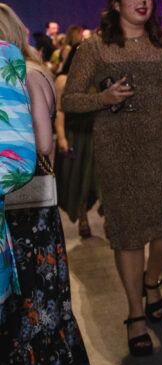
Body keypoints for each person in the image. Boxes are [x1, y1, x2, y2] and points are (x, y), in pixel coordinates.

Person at [62, 0, 162, 357]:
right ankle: (135, 310)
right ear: (116, 4)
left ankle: (152, 281)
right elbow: (69, 100)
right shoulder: (95, 48)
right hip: (117, 150)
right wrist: (102, 97)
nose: (142, 1)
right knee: (128, 234)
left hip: (161, 149)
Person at [0, 4, 90, 365]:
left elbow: (38, 144)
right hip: (32, 207)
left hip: (25, 207)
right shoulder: (31, 70)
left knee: (29, 298)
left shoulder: (27, 77)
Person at [54, 42, 100, 238]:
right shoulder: (64, 80)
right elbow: (59, 111)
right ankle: (83, 217)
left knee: (96, 182)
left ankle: (104, 218)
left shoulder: (98, 80)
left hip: (96, 136)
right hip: (75, 136)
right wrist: (62, 138)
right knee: (78, 181)